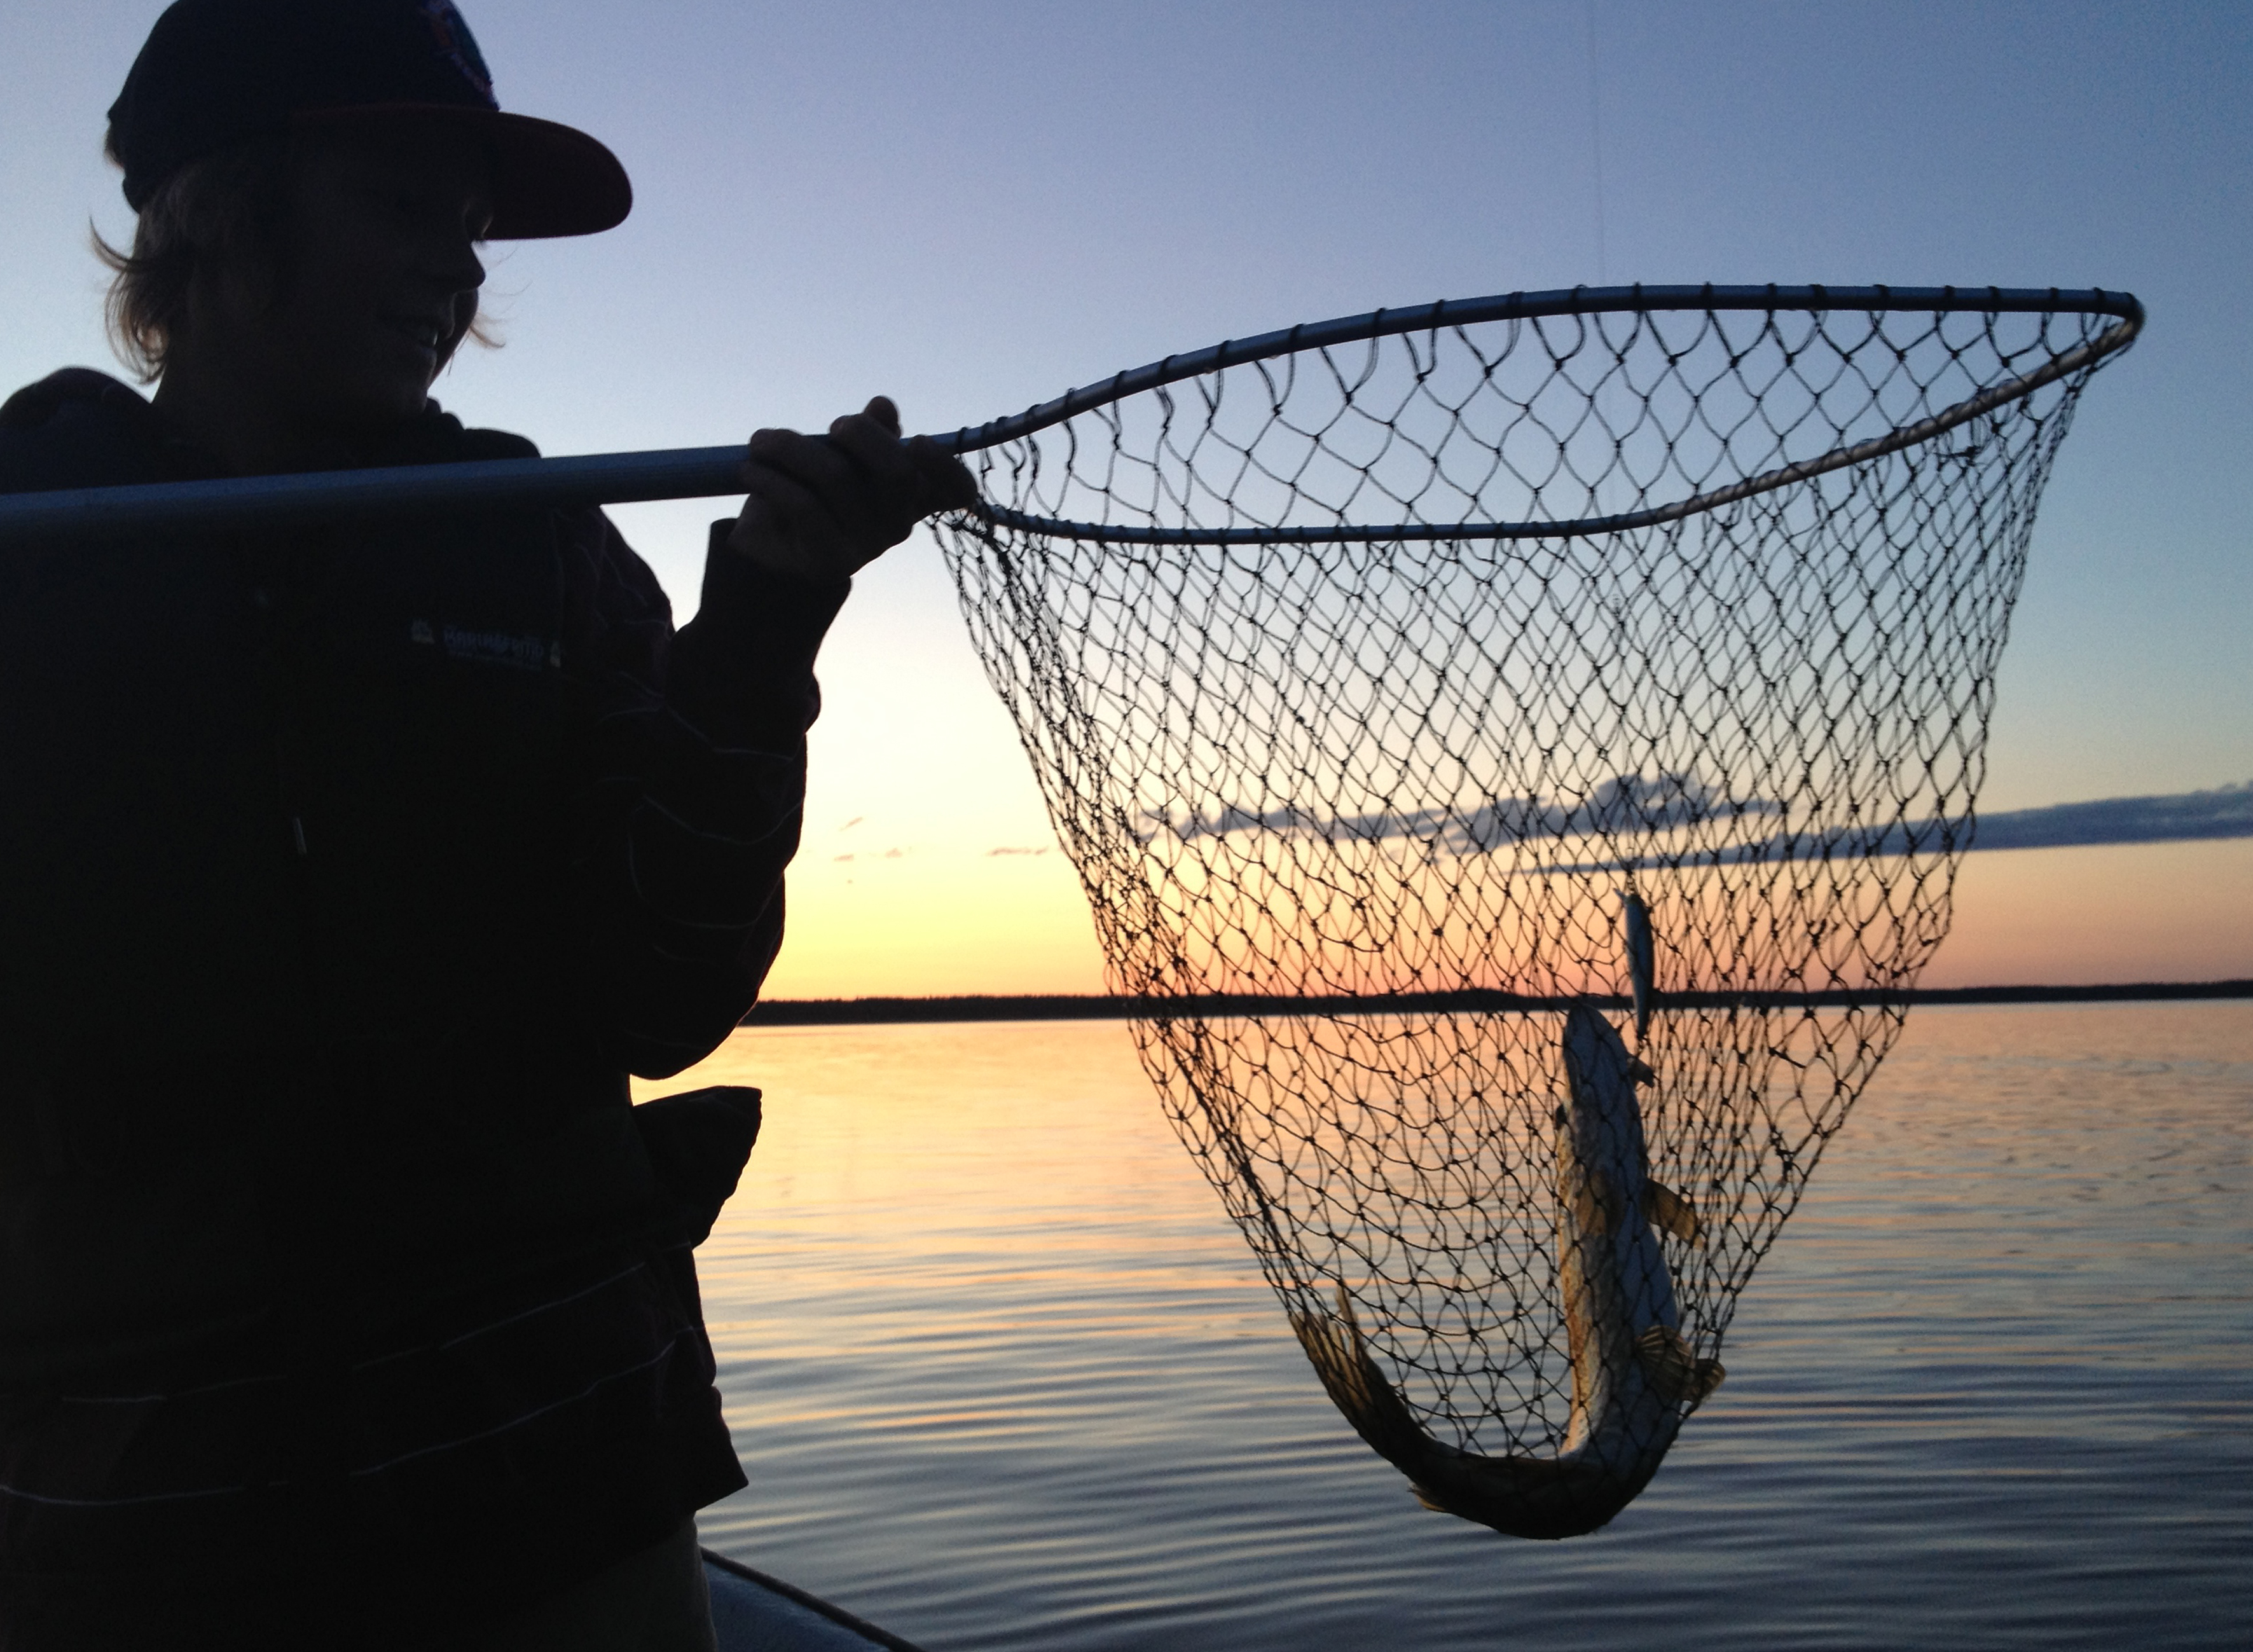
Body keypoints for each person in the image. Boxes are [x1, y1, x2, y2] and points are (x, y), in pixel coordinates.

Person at [0, 2, 973, 1646]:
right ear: (218, 213)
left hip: (562, 1468)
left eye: (467, 231)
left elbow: (666, 994)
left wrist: (762, 627)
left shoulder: (545, 553)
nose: (455, 270)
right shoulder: (34, 548)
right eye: (399, 205)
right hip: (135, 1517)